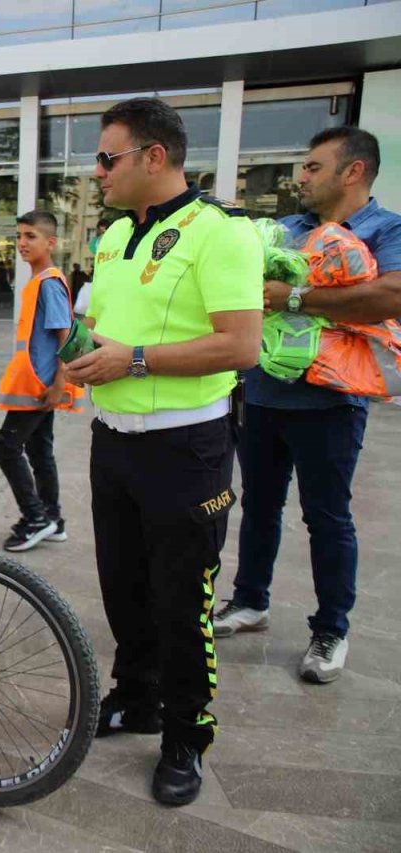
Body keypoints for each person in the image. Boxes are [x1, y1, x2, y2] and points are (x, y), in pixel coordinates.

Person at [65, 98, 262, 806]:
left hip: (187, 447)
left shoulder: (221, 234)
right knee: (123, 583)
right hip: (112, 441)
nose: (98, 172)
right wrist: (79, 354)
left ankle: (186, 732)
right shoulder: (115, 236)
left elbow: (241, 345)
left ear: (155, 156)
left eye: (108, 158)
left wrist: (136, 361)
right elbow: (99, 326)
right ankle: (138, 696)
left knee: (183, 598)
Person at [215, 127, 401, 683]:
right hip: (264, 393)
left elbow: (390, 295)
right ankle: (250, 602)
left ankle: (331, 629)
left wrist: (296, 295)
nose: (303, 176)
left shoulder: (384, 229)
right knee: (259, 506)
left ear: (354, 172)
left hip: (331, 404)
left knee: (326, 516)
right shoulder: (286, 231)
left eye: (315, 167)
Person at [0, 210, 80, 552]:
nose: (22, 243)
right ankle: (53, 519)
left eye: (31, 236)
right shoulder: (38, 282)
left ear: (51, 242)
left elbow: (66, 336)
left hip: (41, 386)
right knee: (39, 451)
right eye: (19, 236)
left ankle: (36, 518)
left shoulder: (48, 283)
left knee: (7, 447)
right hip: (38, 384)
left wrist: (60, 381)